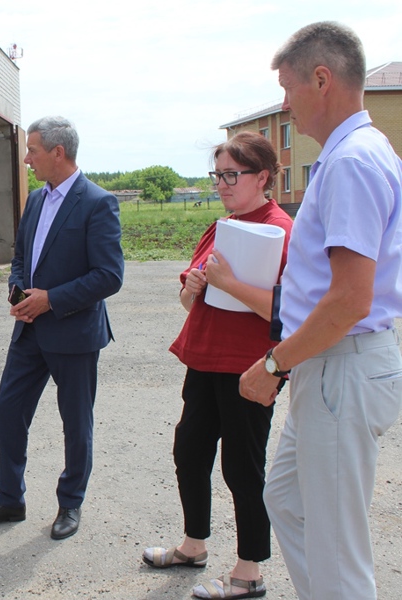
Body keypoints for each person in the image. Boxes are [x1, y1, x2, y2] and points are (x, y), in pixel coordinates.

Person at [240, 22, 402, 600]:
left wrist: (274, 364)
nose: (284, 105)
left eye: (287, 88)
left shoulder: (352, 162)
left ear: (322, 79)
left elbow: (349, 299)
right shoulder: (354, 153)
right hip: (333, 365)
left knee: (338, 554)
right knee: (287, 499)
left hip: (340, 364)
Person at [142, 132, 293, 600]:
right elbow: (193, 301)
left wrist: (226, 281)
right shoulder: (223, 225)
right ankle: (194, 545)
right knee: (189, 452)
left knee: (242, 468)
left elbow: (287, 310)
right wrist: (194, 288)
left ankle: (249, 571)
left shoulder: (280, 230)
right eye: (218, 175)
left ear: (262, 177)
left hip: (249, 368)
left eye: (232, 174)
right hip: (204, 359)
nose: (223, 184)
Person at [0, 116, 124, 540]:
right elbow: (20, 256)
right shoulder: (35, 199)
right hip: (30, 331)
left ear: (58, 152)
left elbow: (109, 275)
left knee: (76, 423)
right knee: (8, 409)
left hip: (73, 332)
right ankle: (10, 498)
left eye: (32, 150)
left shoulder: (97, 202)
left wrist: (50, 299)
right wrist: (18, 290)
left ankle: (70, 504)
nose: (27, 158)